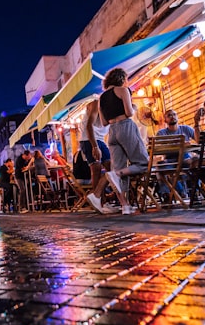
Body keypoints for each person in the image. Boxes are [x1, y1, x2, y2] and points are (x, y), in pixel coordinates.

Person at [97, 67, 149, 215]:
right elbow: (129, 112)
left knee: (117, 169)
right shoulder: (122, 90)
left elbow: (104, 122)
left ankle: (125, 206)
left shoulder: (101, 98)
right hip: (125, 126)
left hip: (112, 131)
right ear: (121, 79)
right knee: (143, 164)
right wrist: (133, 106)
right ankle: (117, 173)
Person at [79, 99, 119, 214]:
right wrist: (94, 147)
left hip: (100, 140)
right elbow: (89, 126)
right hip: (88, 139)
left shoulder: (114, 108)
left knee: (112, 167)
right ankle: (100, 203)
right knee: (96, 169)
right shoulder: (97, 103)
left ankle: (101, 199)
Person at [155, 109, 196, 200]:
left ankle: (195, 192)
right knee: (159, 168)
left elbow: (198, 140)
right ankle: (168, 194)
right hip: (170, 159)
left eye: (174, 114)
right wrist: (180, 144)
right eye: (169, 115)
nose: (172, 116)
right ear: (165, 120)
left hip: (185, 158)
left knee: (195, 164)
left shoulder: (186, 129)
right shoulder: (161, 133)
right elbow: (159, 149)